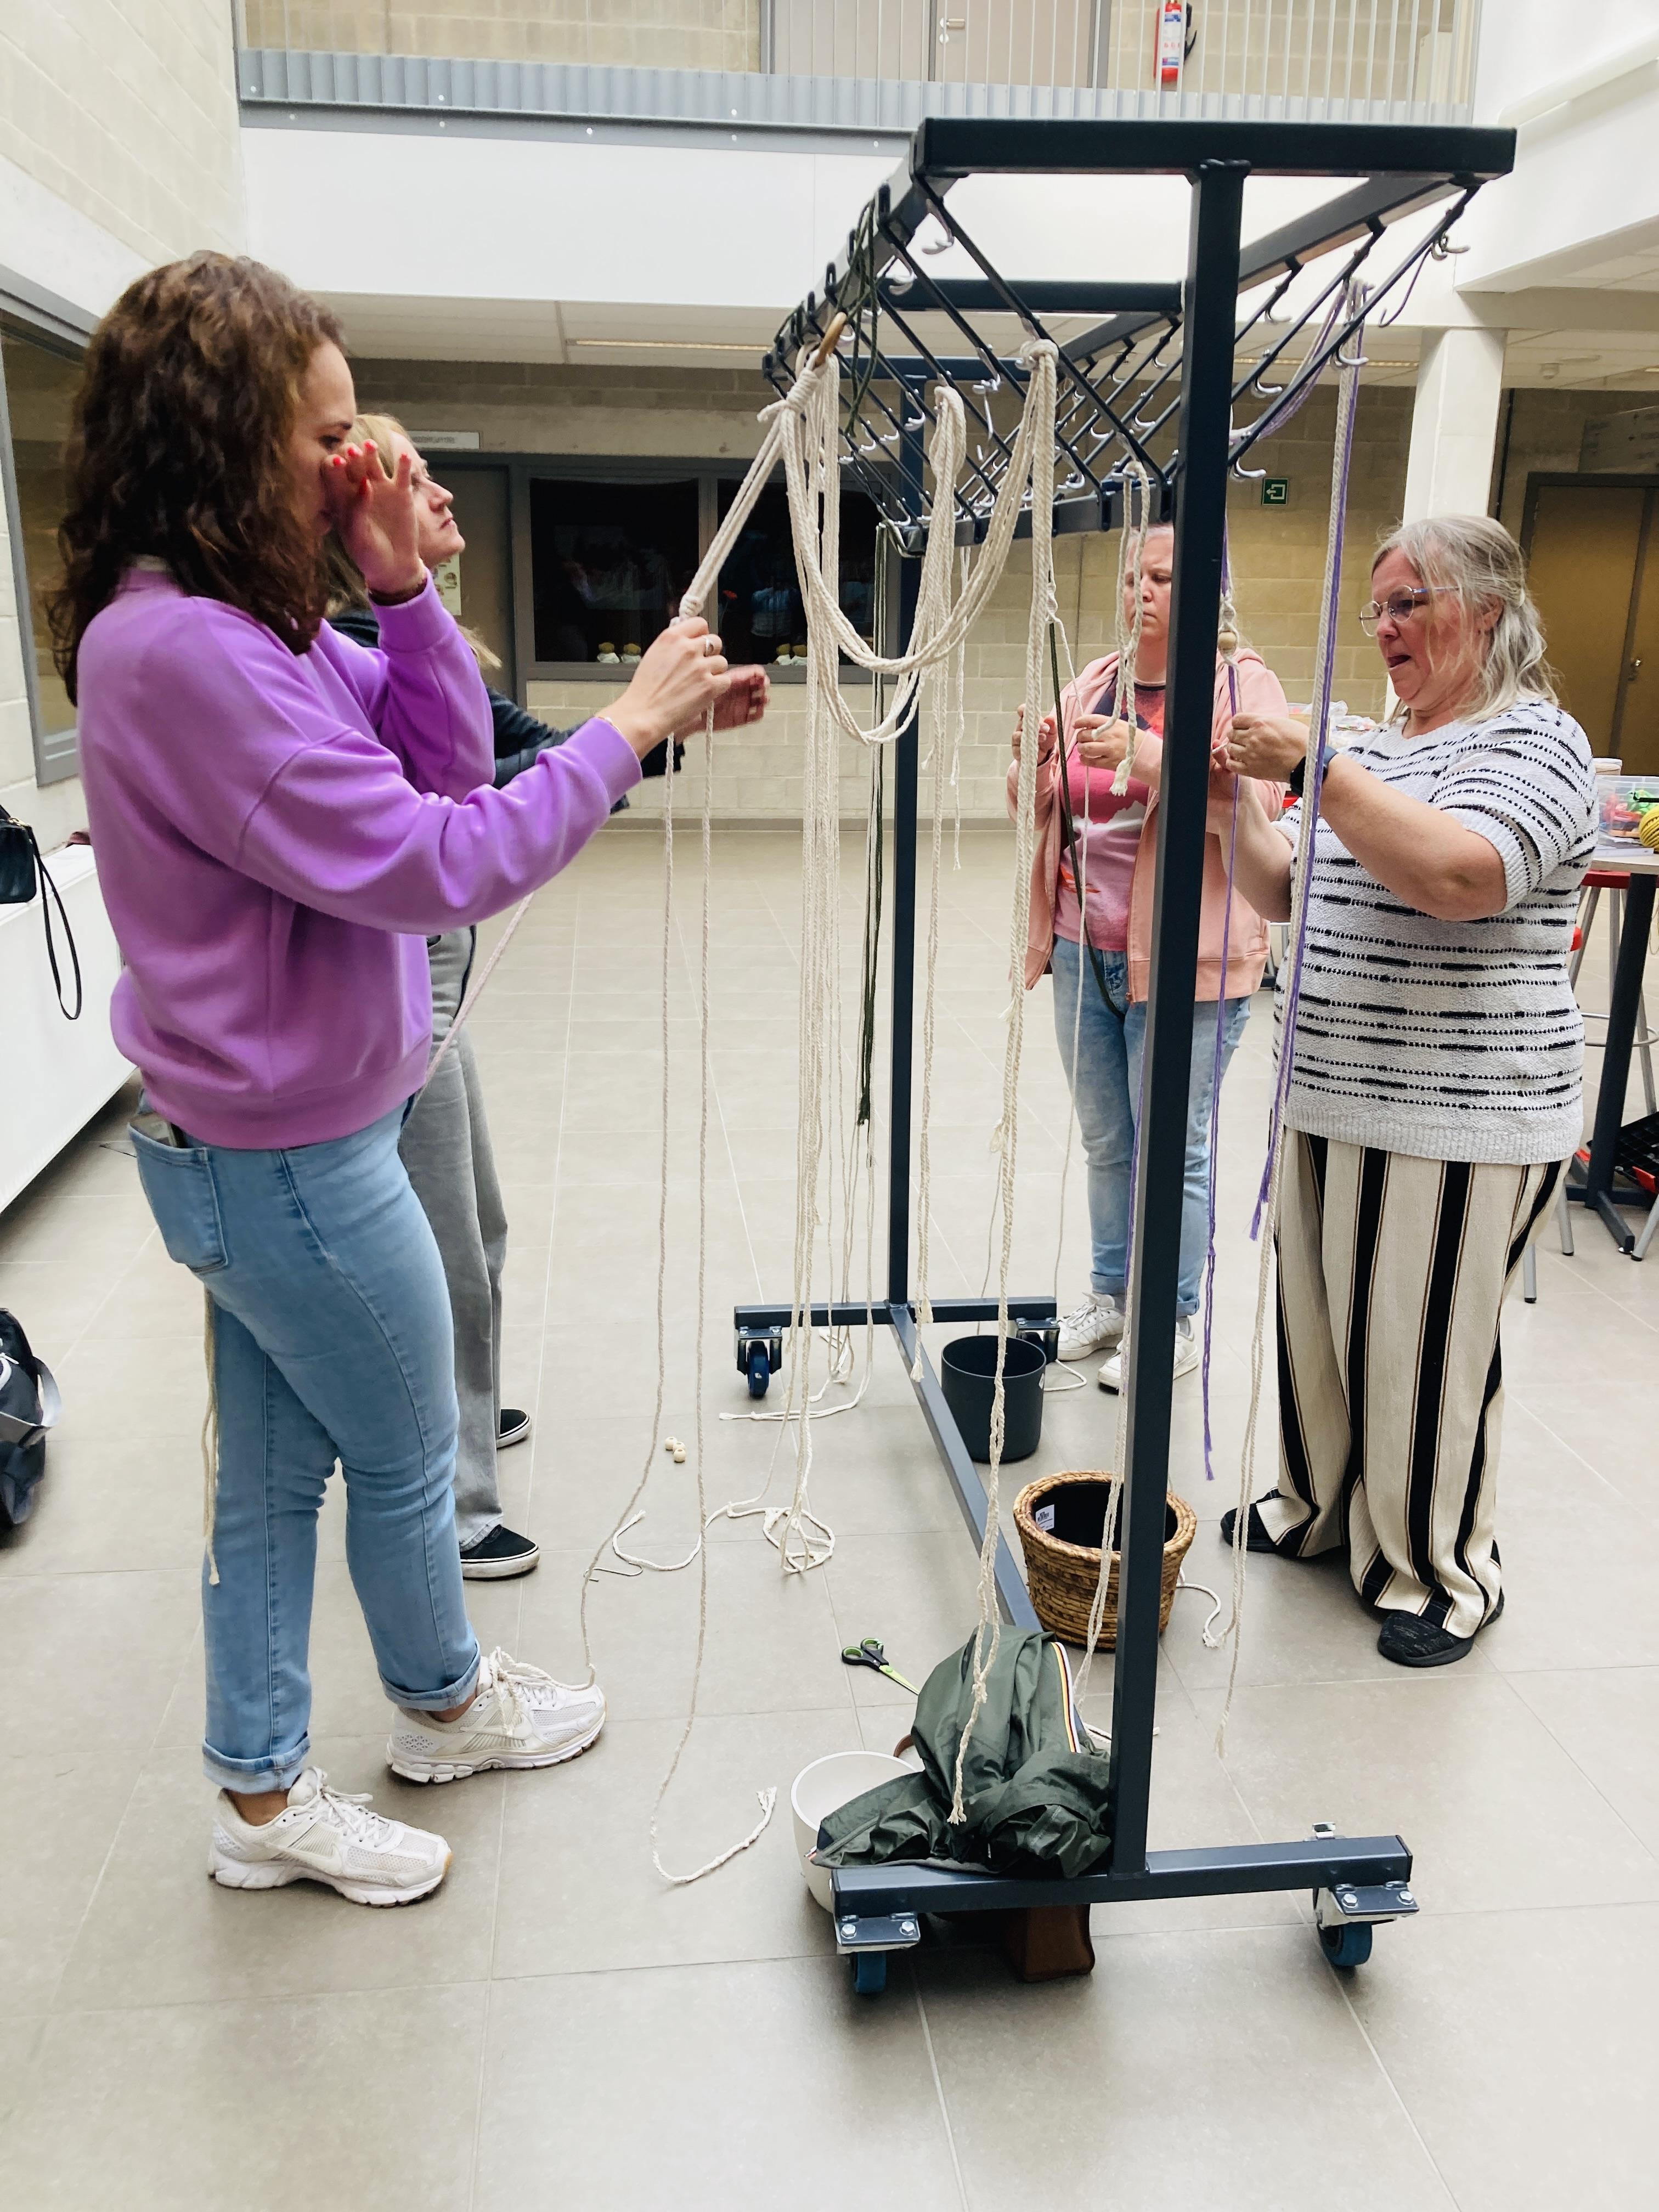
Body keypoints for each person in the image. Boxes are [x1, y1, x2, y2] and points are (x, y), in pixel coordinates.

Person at [56, 251, 752, 1904]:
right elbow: (442, 858)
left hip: (276, 1141)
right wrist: (624, 728)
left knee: (281, 1478)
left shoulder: (246, 624)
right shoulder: (187, 658)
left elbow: (438, 751)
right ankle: (426, 1711)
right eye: (331, 437)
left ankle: (269, 1787)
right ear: (228, 444)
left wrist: (400, 586)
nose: (360, 463)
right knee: (397, 1449)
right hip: (283, 1159)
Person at [328, 414, 767, 1582]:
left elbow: (524, 750)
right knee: (446, 1263)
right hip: (396, 983)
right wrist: (635, 726)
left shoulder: (434, 647)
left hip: (433, 981)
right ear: (358, 518)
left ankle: (471, 1417)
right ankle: (460, 1506)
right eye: (423, 485)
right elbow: (479, 816)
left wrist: (662, 728)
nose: (453, 505)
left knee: (480, 1231)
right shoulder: (352, 650)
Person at [1216, 514, 1596, 1668]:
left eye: (1408, 603)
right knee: (1321, 1331)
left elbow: (1460, 877)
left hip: (1461, 1119)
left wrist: (1316, 768)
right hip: (1331, 1098)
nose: (1383, 627)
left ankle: (1440, 1573)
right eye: (1376, 608)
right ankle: (1321, 1512)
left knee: (1421, 1347)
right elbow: (1281, 889)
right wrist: (1233, 790)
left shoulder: (1537, 740)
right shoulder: (1377, 744)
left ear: (1485, 610)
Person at [1011, 521, 1289, 1390]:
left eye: (1165, 577)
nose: (1143, 592)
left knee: (1175, 1146)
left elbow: (1263, 807)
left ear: (1211, 590)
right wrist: (1032, 765)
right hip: (1082, 945)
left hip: (1188, 961)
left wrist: (1151, 754)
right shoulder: (1095, 681)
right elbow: (1047, 808)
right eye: (1136, 575)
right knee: (1106, 1139)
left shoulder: (1244, 686)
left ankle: (1172, 1318)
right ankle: (1110, 1294)